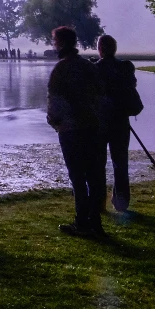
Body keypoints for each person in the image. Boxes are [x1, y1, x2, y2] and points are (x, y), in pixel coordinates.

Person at [47, 26, 107, 237]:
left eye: (54, 42)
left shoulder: (61, 70)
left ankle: (82, 222)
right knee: (94, 175)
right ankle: (95, 222)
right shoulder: (89, 67)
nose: (53, 45)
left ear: (61, 43)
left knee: (78, 178)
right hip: (92, 127)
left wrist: (55, 122)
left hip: (71, 130)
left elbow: (55, 103)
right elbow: (100, 96)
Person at [94, 35, 142, 212]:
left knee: (98, 164)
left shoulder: (95, 69)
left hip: (101, 122)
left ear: (100, 49)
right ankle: (121, 202)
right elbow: (132, 84)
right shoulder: (125, 67)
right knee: (120, 162)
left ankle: (99, 203)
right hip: (121, 120)